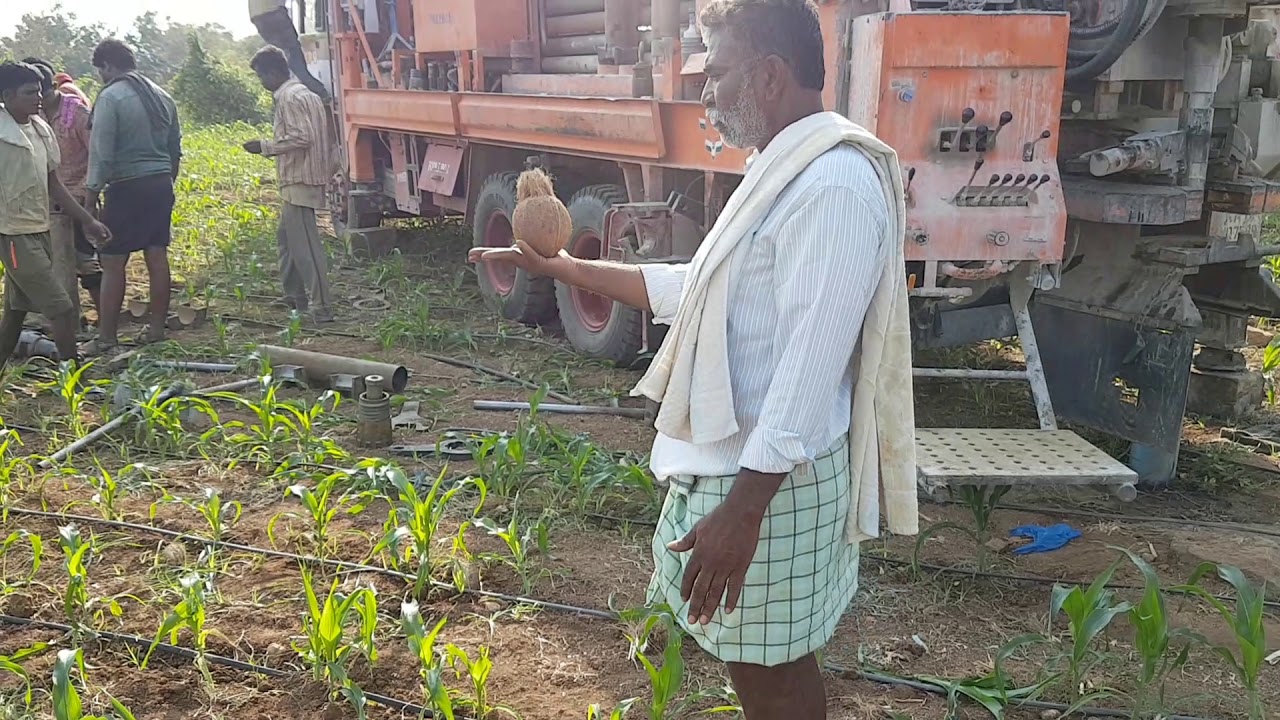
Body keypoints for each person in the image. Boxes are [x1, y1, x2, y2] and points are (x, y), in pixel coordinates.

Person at [469, 1, 918, 717]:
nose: (705, 93)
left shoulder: (830, 187)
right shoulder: (785, 168)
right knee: (763, 661)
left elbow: (808, 369)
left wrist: (742, 515)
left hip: (768, 483)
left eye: (719, 73)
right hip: (754, 472)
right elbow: (702, 288)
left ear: (770, 77)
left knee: (768, 672)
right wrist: (565, 270)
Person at [0, 62, 111, 370]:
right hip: (12, 235)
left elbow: (54, 184)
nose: (37, 97)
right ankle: (71, 372)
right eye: (28, 92)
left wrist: (88, 220)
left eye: (38, 90)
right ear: (7, 96)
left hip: (39, 228)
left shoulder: (40, 129)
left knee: (15, 312)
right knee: (61, 308)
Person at [83, 39, 182, 355]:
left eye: (100, 70)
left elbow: (101, 154)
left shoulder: (111, 97)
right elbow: (174, 149)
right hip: (159, 183)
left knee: (112, 261)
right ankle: (155, 330)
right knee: (156, 256)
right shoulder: (162, 95)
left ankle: (107, 337)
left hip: (126, 186)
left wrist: (89, 204)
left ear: (107, 66)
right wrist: (167, 182)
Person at [243, 46, 336, 323]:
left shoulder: (288, 97)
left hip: (300, 178)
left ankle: (321, 308)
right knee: (286, 240)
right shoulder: (305, 93)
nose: (261, 83)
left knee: (305, 247)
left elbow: (302, 137)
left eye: (261, 77)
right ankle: (294, 297)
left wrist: (264, 146)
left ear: (273, 73)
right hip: (302, 177)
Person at [27, 61, 103, 323]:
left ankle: (105, 319)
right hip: (45, 202)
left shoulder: (77, 113)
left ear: (50, 89)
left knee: (87, 263)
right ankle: (65, 318)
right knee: (51, 265)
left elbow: (97, 156)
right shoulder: (31, 116)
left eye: (41, 94)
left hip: (78, 199)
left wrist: (85, 195)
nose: (38, 101)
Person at [249, 0, 331, 101]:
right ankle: (320, 92)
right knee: (294, 56)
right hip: (274, 13)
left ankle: (286, 96)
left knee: (281, 60)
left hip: (258, 18)